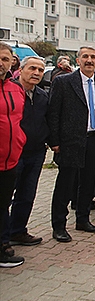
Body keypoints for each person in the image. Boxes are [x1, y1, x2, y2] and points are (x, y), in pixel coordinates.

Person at [48, 46, 95, 242]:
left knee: (89, 181)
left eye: (93, 57)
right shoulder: (64, 82)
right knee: (66, 184)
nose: (89, 60)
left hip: (94, 138)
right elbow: (53, 112)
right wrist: (54, 141)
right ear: (77, 60)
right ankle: (59, 226)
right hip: (70, 140)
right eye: (85, 57)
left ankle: (83, 219)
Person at [2, 56, 48, 253]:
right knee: (5, 197)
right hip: (13, 153)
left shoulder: (42, 96)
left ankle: (18, 230)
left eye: (40, 70)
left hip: (36, 152)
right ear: (21, 69)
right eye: (32, 68)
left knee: (27, 195)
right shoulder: (10, 91)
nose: (36, 73)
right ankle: (4, 237)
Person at [0, 42, 27, 267]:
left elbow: (18, 119)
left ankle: (3, 245)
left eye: (5, 59)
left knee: (3, 204)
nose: (1, 63)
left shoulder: (15, 88)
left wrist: (20, 141)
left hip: (11, 158)